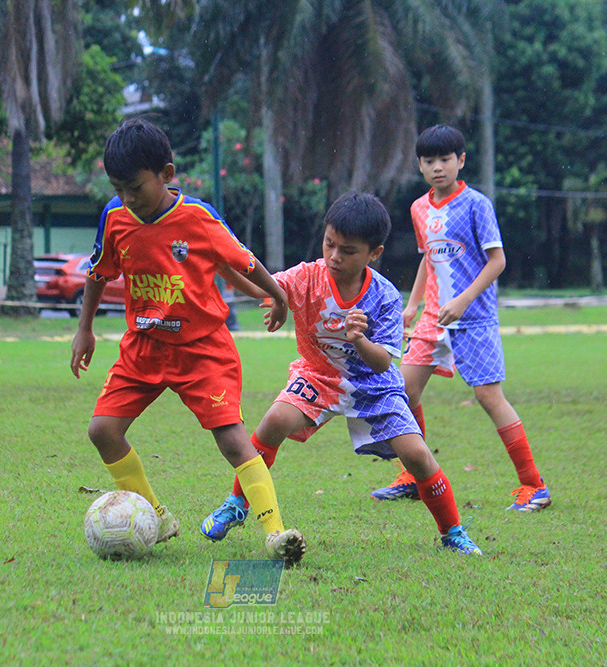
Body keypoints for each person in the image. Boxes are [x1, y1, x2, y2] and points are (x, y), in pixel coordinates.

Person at [70, 118, 305, 565]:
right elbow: (100, 272)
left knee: (234, 441)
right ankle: (157, 518)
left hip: (203, 350)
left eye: (135, 186)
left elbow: (243, 262)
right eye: (118, 187)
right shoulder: (115, 217)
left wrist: (277, 295)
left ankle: (276, 534)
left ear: (167, 173)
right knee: (102, 431)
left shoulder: (199, 218)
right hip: (143, 347)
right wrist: (85, 329)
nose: (128, 197)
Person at [200, 192, 482, 555]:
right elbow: (261, 285)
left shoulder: (384, 296)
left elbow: (383, 363)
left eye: (347, 250)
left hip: (374, 385)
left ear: (373, 253)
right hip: (319, 376)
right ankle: (238, 503)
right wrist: (222, 264)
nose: (334, 256)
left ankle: (452, 532)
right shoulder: (307, 276)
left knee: (416, 455)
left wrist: (359, 339)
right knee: (272, 422)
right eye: (329, 244)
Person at [371, 125, 551, 512]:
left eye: (446, 159)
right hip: (433, 318)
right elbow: (428, 259)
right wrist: (412, 305)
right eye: (430, 161)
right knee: (403, 391)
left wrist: (466, 300)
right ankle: (414, 475)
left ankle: (534, 485)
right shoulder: (419, 208)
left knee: (488, 396)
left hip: (475, 318)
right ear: (419, 165)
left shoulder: (476, 204)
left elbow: (497, 261)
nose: (438, 167)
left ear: (461, 161)